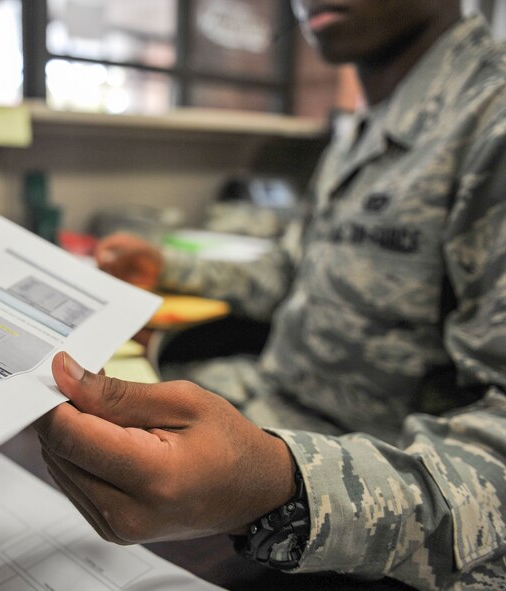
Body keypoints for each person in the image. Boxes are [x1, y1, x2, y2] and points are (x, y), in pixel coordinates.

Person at [32, 1, 506, 589]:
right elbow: (295, 269)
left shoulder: (492, 121)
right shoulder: (370, 123)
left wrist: (281, 491)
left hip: (372, 496)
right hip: (275, 408)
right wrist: (165, 265)